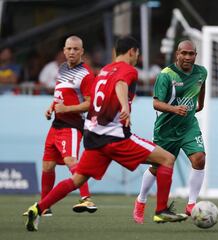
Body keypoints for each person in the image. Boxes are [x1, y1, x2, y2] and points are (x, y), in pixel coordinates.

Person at [24, 36, 187, 232]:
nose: (137, 57)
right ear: (133, 52)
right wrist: (124, 105)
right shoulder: (128, 70)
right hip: (116, 137)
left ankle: (38, 208)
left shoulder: (103, 71)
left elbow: (97, 98)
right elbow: (121, 84)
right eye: (137, 53)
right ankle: (161, 210)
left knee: (76, 180)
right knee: (167, 159)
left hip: (94, 137)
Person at [133, 40, 207, 224]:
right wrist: (175, 109)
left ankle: (191, 204)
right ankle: (141, 200)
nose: (188, 57)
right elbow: (155, 103)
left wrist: (201, 104)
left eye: (191, 54)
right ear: (177, 54)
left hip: (189, 125)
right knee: (157, 167)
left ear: (195, 55)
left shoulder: (201, 72)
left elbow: (201, 85)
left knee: (199, 158)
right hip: (166, 129)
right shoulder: (166, 75)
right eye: (184, 53)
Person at [25, 36, 97, 217]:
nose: (71, 52)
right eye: (69, 49)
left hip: (72, 125)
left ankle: (86, 198)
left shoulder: (86, 74)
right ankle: (44, 206)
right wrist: (51, 107)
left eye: (75, 49)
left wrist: (67, 109)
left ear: (82, 51)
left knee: (70, 161)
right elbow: (59, 96)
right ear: (64, 51)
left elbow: (90, 104)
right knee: (47, 165)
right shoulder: (62, 69)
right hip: (56, 124)